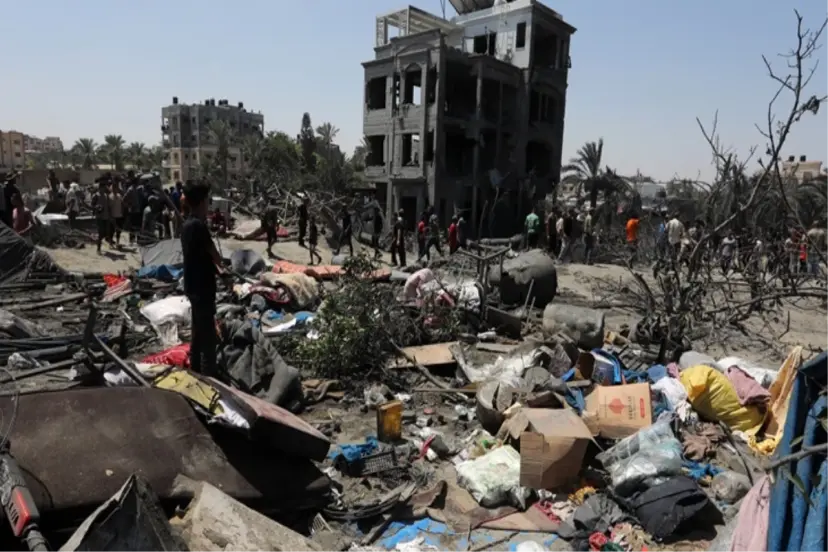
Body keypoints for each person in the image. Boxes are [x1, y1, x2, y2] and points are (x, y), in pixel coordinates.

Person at [180, 181, 228, 378]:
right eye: (207, 200)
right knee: (207, 336)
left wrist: (219, 270)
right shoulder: (199, 226)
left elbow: (201, 257)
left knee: (198, 331)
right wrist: (223, 268)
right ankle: (210, 377)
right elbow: (213, 254)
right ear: (201, 202)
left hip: (193, 286)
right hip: (202, 288)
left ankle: (195, 370)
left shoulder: (186, 225)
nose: (209, 204)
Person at [92, 179, 113, 254]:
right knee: (101, 233)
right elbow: (92, 205)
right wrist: (97, 207)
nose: (104, 189)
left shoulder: (106, 196)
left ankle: (101, 242)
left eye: (104, 187)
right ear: (100, 187)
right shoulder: (96, 195)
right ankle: (98, 249)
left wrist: (110, 215)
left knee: (106, 232)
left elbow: (108, 206)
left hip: (106, 217)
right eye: (102, 187)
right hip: (99, 217)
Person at [109, 180, 125, 246]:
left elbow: (122, 204)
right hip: (113, 216)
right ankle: (110, 243)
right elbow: (109, 208)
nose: (115, 189)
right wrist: (110, 216)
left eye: (116, 188)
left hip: (119, 215)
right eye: (114, 188)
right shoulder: (110, 197)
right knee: (112, 230)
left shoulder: (119, 196)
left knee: (119, 230)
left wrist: (122, 212)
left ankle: (117, 242)